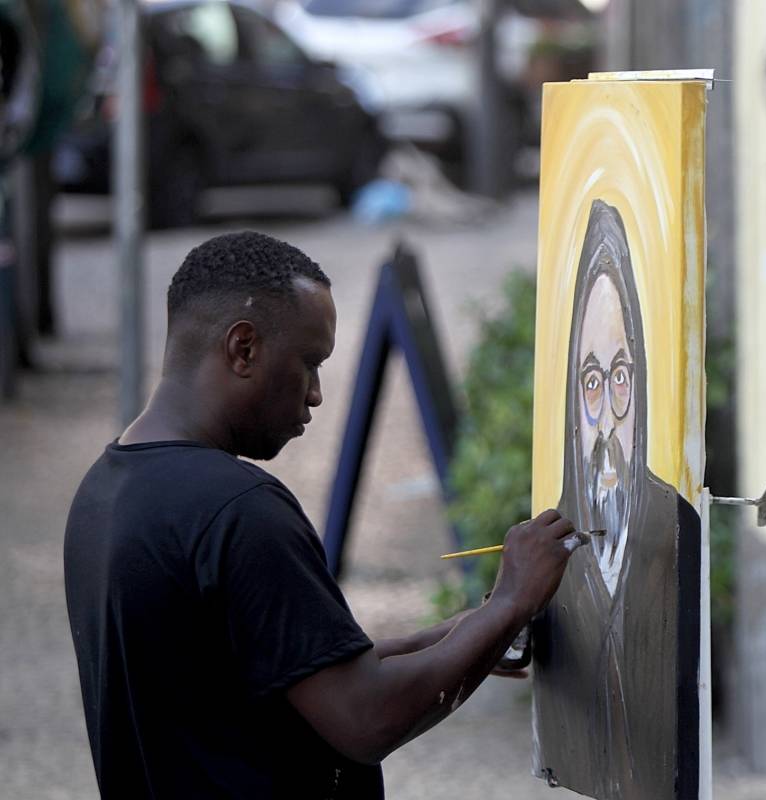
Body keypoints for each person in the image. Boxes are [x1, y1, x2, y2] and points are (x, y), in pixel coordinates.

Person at [63, 231, 579, 799]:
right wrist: (511, 600)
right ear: (244, 349)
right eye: (309, 363)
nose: (315, 394)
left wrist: (473, 630)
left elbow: (304, 669)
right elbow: (366, 715)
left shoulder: (105, 490)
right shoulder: (239, 512)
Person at [531, 200, 701, 800]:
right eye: (592, 381)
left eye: (622, 376)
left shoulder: (676, 521)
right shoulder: (550, 533)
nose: (605, 418)